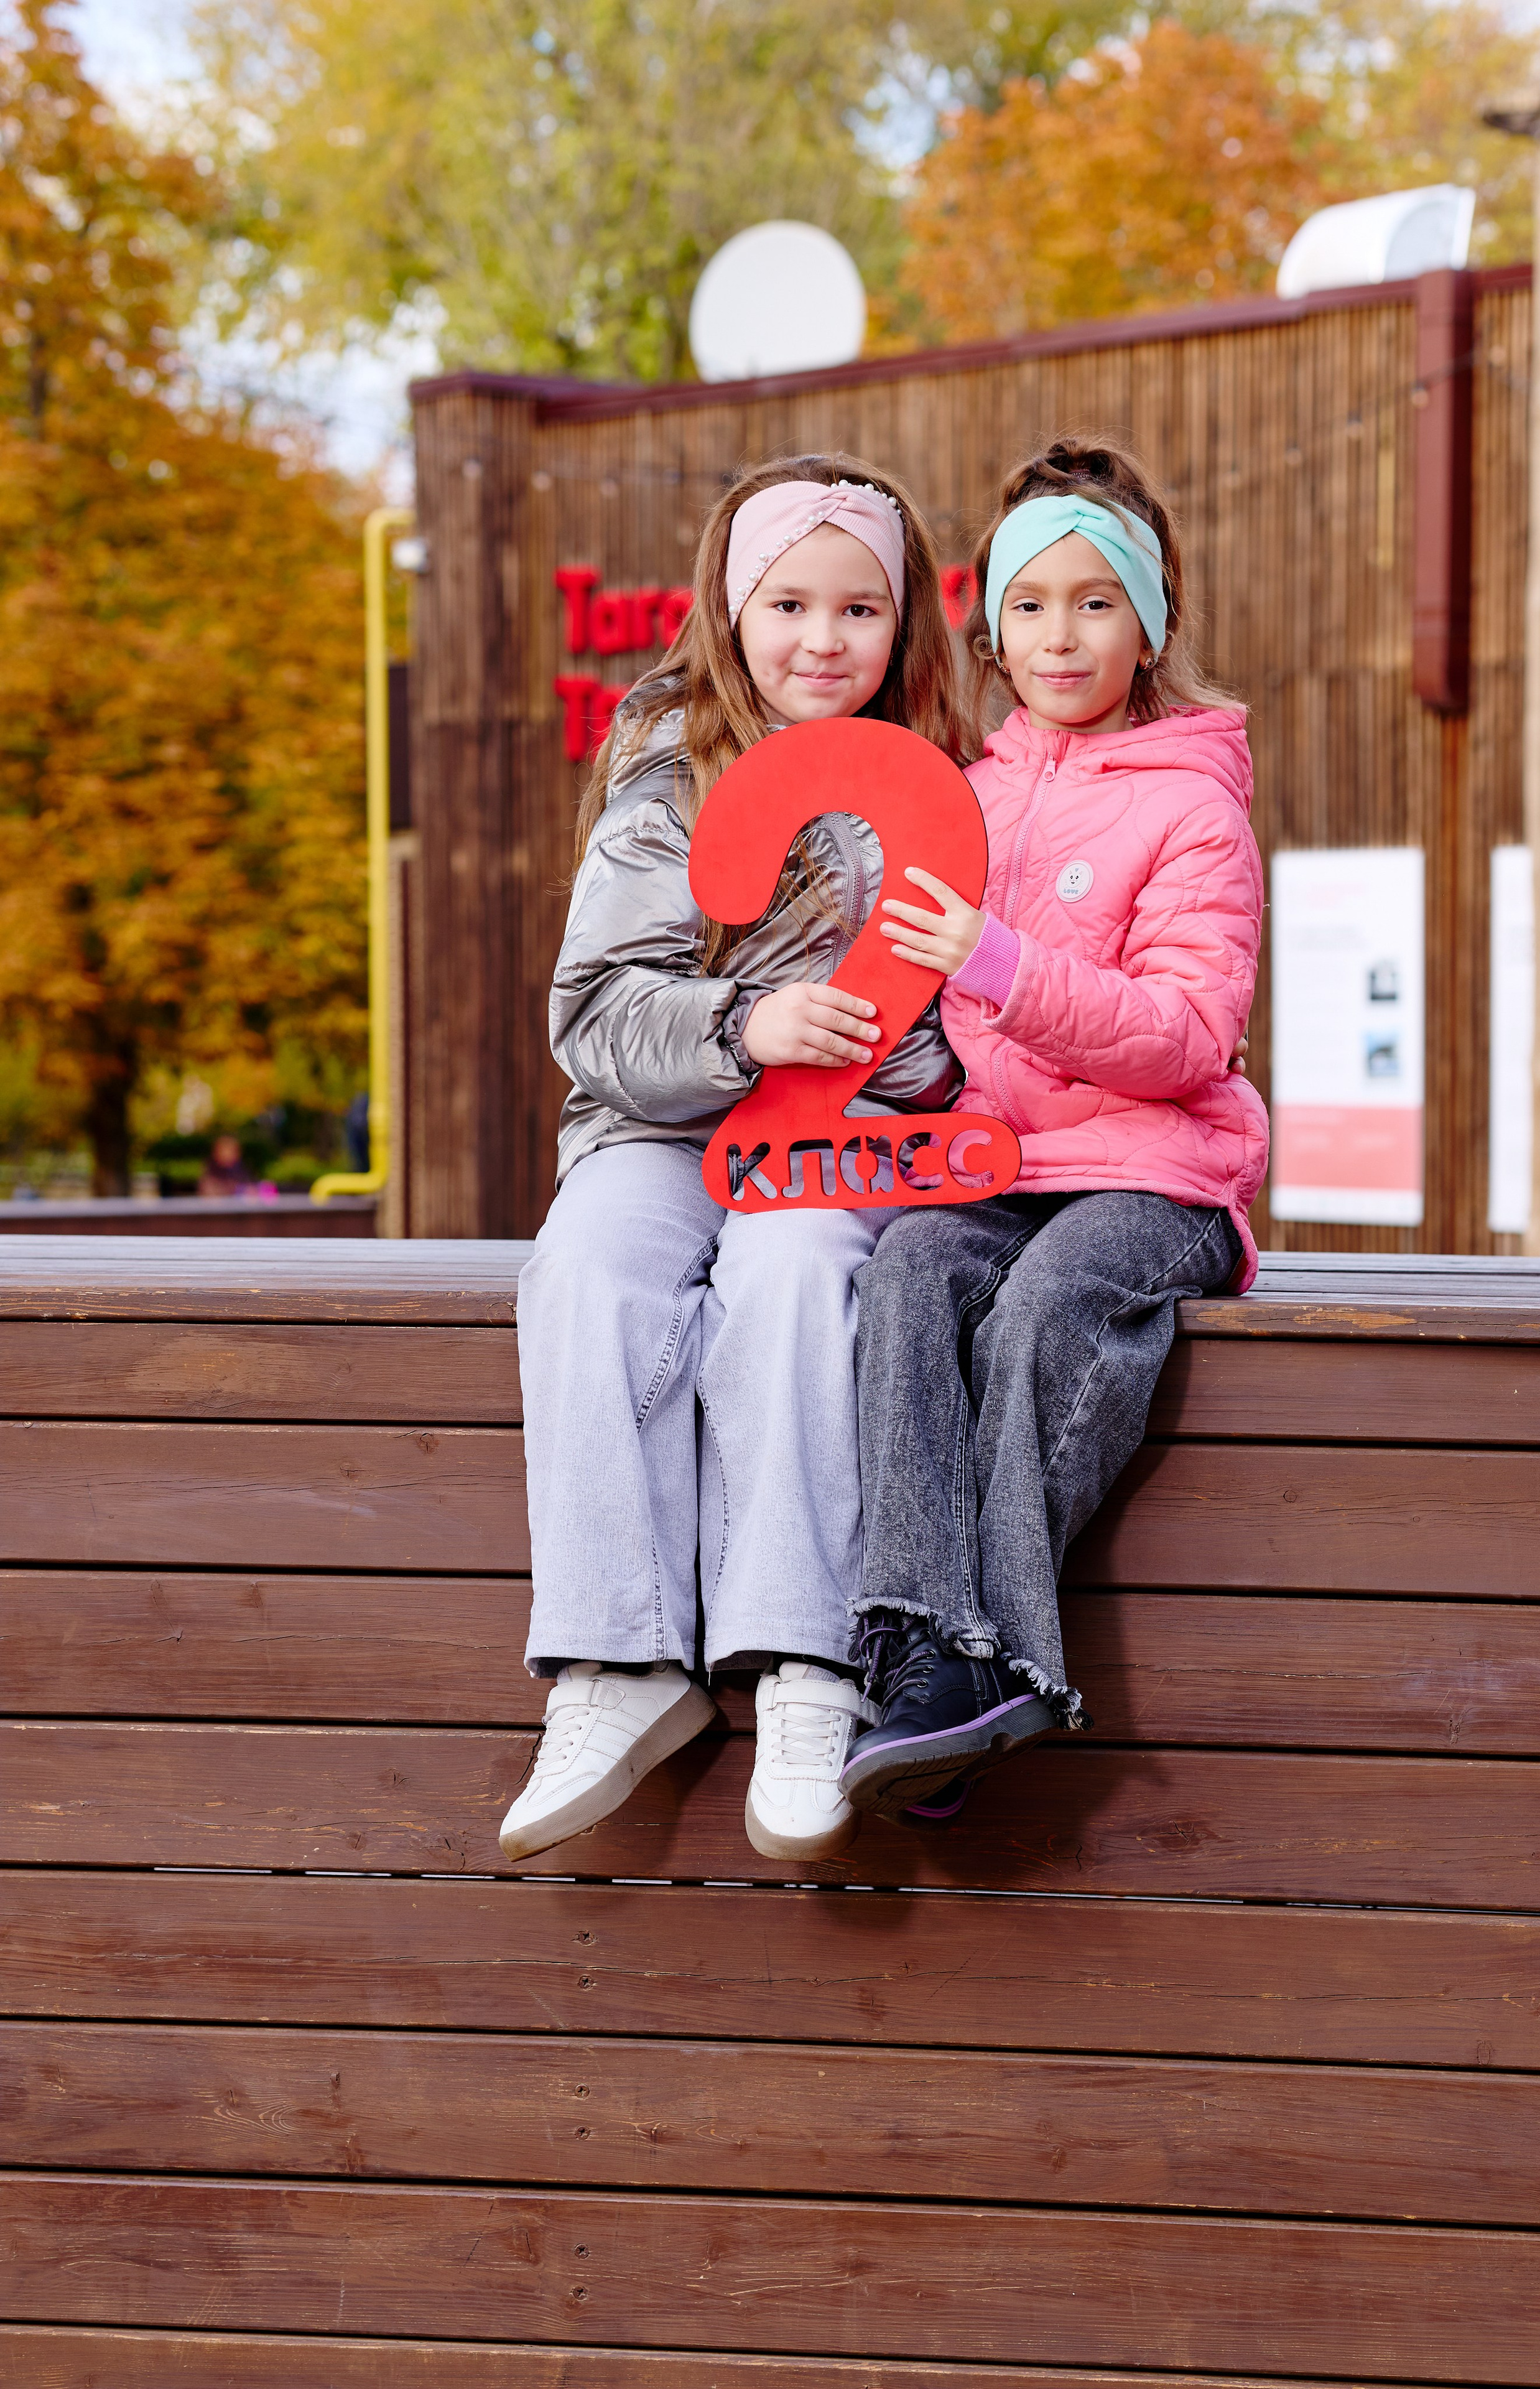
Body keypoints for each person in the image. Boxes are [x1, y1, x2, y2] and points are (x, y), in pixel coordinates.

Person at [499, 455, 968, 1867]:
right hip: (664, 1119)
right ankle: (618, 1661)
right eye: (787, 605)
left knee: (798, 1264)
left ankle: (804, 1664)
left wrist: (883, 1056)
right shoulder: (663, 770)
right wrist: (744, 1022)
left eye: (857, 612)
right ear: (728, 606)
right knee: (587, 1266)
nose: (820, 642)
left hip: (841, 1137)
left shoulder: (939, 786)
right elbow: (592, 1016)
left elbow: (962, 1029)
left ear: (903, 630)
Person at [840, 434, 1269, 1820]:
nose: (1060, 633)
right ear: (990, 625)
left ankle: (996, 1656)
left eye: (1095, 601)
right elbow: (916, 1020)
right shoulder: (962, 793)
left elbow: (1186, 1037)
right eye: (1030, 602)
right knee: (903, 1276)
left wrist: (1002, 964)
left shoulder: (1190, 806)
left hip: (1156, 1174)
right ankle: (917, 1659)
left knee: (1047, 1306)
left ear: (1148, 625)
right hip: (999, 1161)